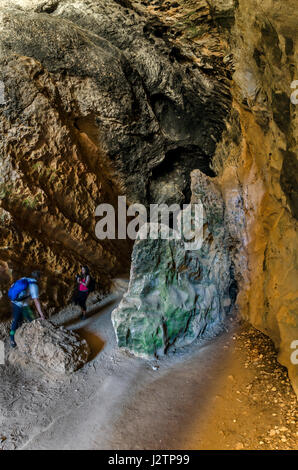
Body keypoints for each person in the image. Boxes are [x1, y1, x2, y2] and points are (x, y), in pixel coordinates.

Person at [9, 271, 45, 348]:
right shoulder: (34, 286)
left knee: (18, 320)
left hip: (15, 302)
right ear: (38, 278)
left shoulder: (24, 279)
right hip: (21, 305)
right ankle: (13, 339)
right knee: (30, 320)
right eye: (41, 277)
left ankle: (17, 337)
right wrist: (41, 314)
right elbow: (36, 301)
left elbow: (12, 286)